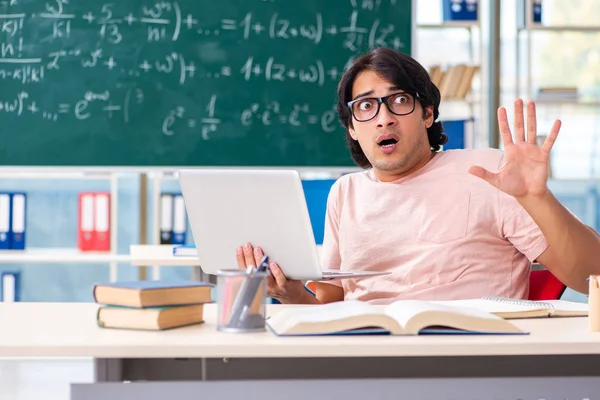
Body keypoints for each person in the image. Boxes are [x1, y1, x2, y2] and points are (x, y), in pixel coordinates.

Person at [236, 46, 600, 305]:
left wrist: (537, 198)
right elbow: (331, 303)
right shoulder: (344, 193)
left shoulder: (490, 172)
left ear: (427, 114)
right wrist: (291, 294)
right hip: (366, 362)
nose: (383, 118)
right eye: (365, 106)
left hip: (473, 362)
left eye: (399, 101)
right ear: (352, 129)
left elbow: (592, 276)